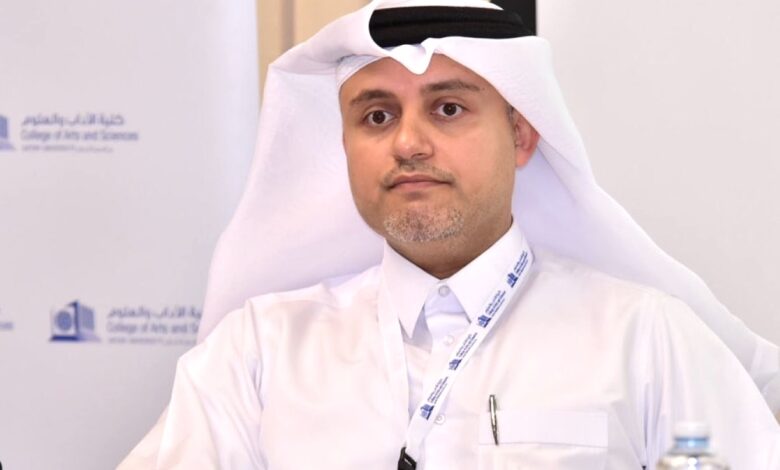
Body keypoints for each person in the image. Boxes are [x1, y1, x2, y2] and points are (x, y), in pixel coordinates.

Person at [119, 0, 780, 468]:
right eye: (377, 116)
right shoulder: (257, 354)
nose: (407, 142)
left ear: (521, 136)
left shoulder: (646, 339)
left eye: (448, 107)